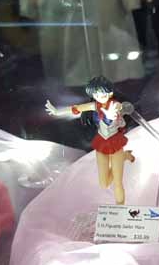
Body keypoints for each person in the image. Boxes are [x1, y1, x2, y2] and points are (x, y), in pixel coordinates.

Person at [45, 76, 135, 204]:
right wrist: (56, 112)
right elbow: (76, 108)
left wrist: (113, 114)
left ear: (110, 92)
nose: (100, 96)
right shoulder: (95, 105)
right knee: (104, 183)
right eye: (96, 94)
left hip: (115, 142)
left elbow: (118, 107)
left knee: (117, 182)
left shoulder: (114, 104)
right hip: (102, 142)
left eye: (103, 93)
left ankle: (120, 207)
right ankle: (124, 157)